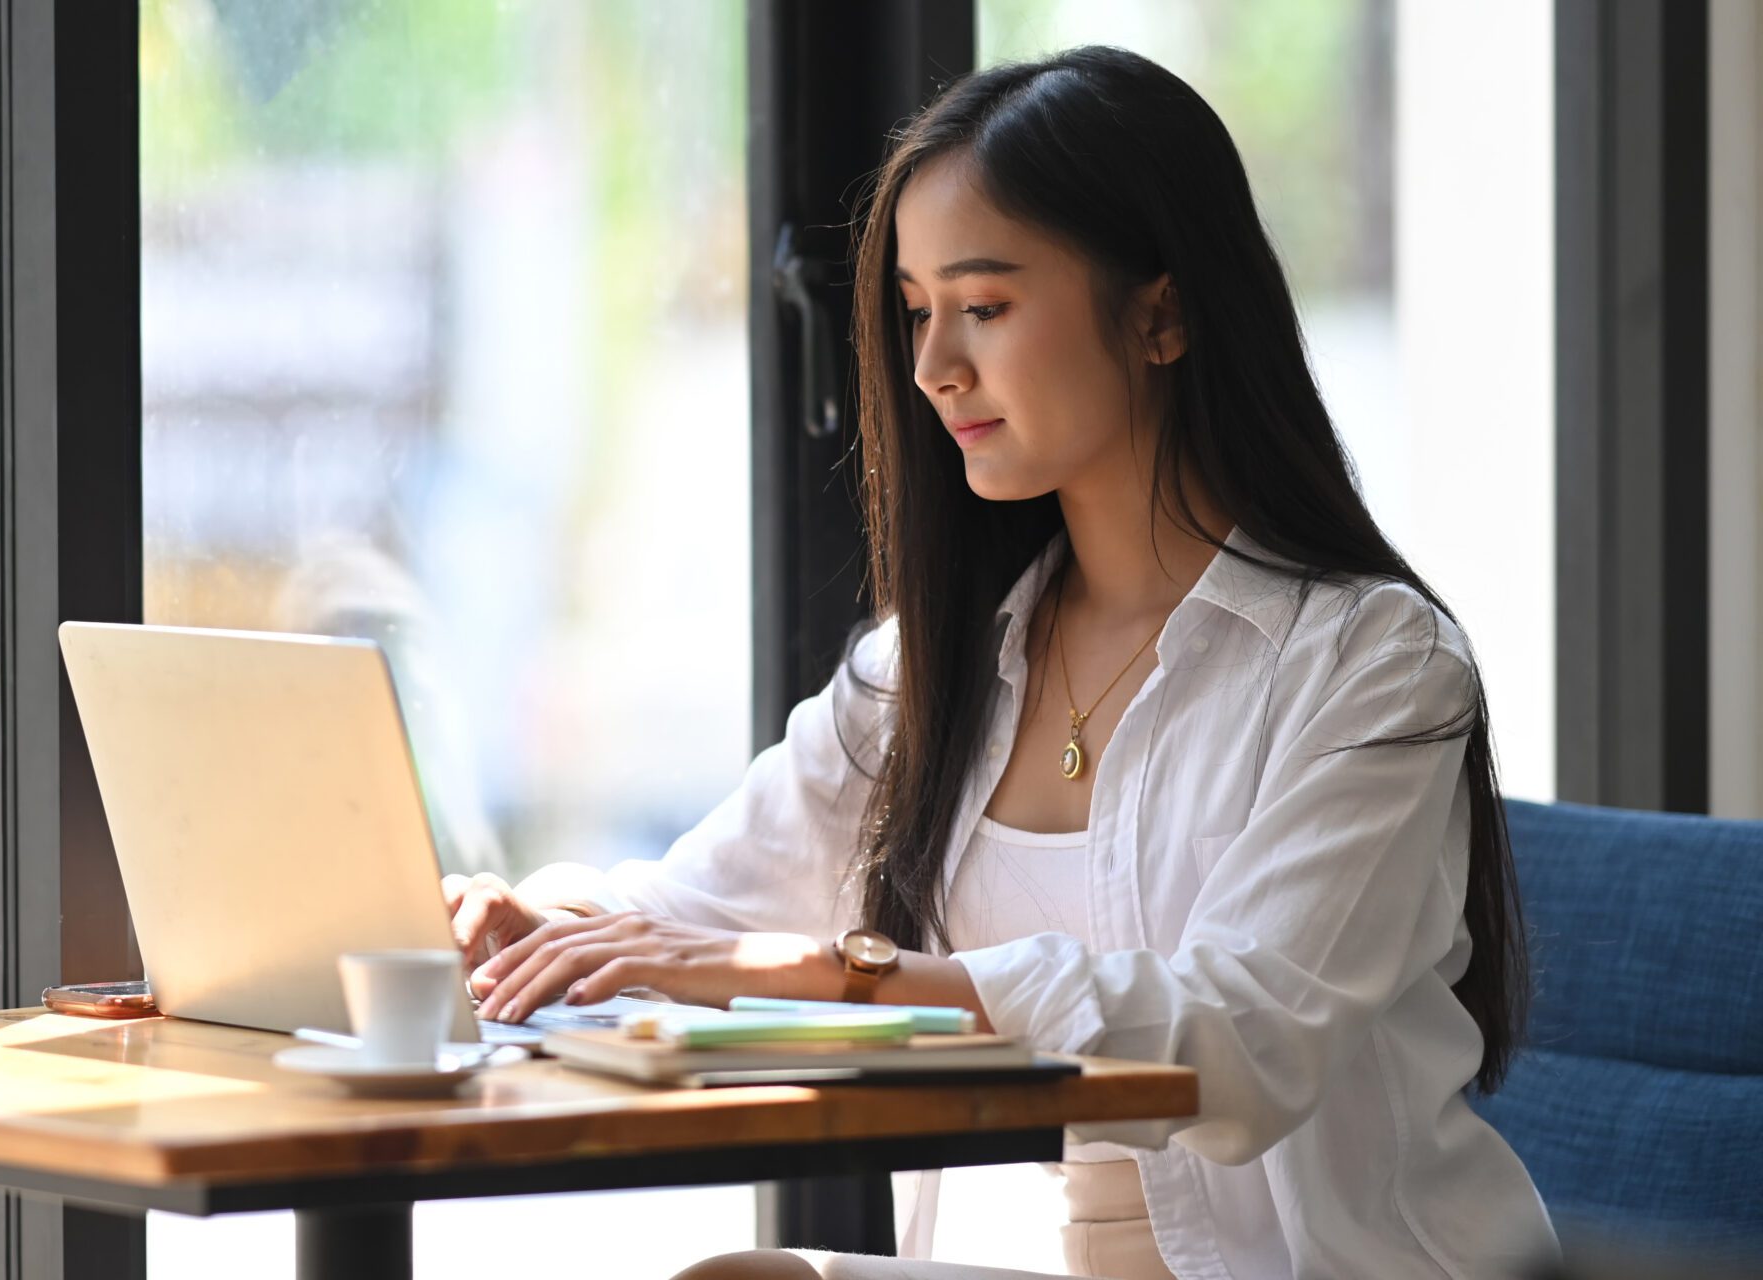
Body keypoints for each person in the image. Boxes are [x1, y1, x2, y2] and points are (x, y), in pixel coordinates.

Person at [441, 46, 1559, 1280]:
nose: (931, 368)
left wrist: (830, 976)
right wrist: (539, 920)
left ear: (1162, 312)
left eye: (984, 305)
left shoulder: (1373, 665)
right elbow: (701, 904)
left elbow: (1238, 1044)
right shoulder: (935, 665)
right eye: (918, 311)